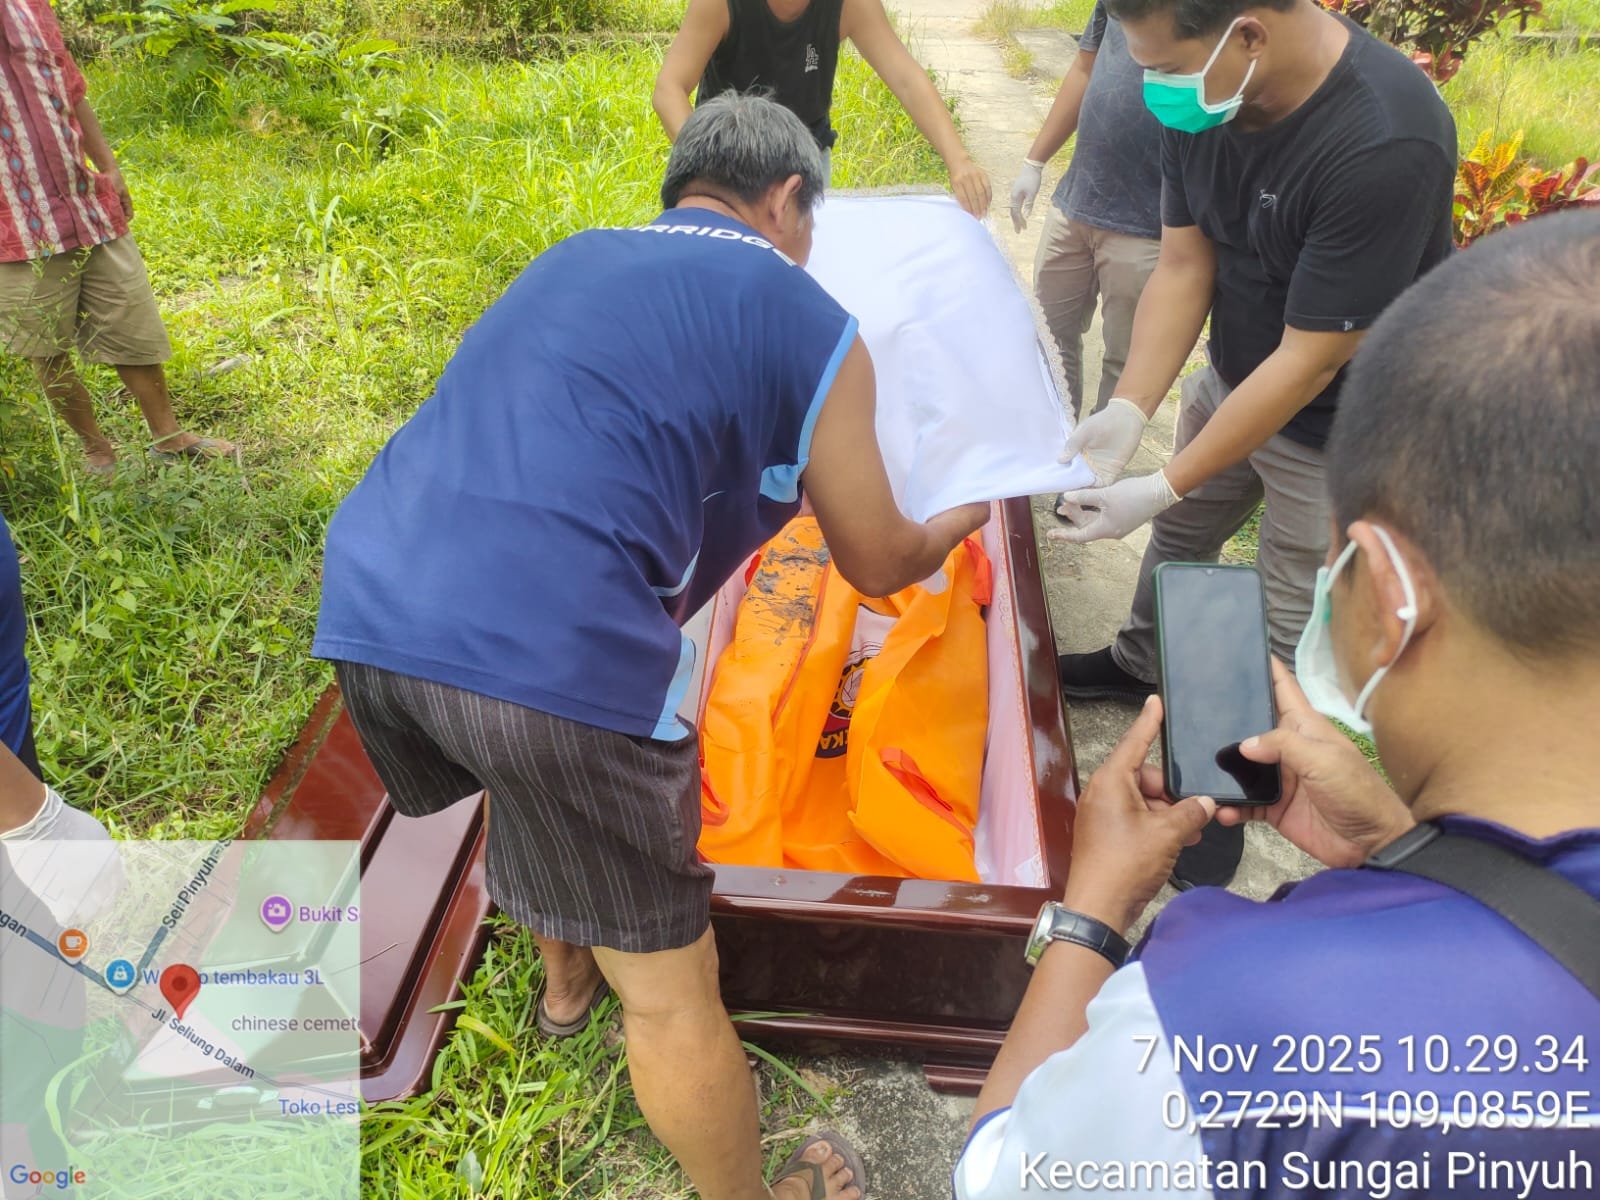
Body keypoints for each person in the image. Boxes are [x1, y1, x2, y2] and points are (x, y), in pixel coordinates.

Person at [314, 93, 987, 1200]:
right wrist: (964, 510)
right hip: (552, 652)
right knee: (672, 991)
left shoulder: (571, 255)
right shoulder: (814, 322)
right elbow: (874, 562)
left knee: (515, 766)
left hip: (373, 604)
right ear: (785, 200)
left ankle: (563, 989)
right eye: (808, 222)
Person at [954, 210, 1600, 1200]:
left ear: (1384, 594)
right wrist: (1411, 850)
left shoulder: (1228, 1022)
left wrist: (1093, 912)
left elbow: (1003, 1176)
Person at [1050, 0, 1456, 886]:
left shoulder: (1386, 140)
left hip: (1344, 422)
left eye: (1164, 66)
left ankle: (1233, 783)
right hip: (1237, 376)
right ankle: (1137, 662)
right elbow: (1185, 262)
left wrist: (1165, 479)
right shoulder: (1208, 102)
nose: (1154, 87)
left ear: (1248, 35)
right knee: (1181, 538)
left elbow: (1311, 361)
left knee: (1279, 606)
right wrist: (1131, 406)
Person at [0, 0, 232, 478]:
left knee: (132, 320)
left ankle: (169, 436)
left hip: (85, 205)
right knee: (46, 348)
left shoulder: (32, 6)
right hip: (14, 228)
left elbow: (72, 88)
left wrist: (109, 167)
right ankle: (97, 452)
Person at [652, 0, 992, 217]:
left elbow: (906, 78)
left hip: (804, 166)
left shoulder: (849, 5)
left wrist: (959, 161)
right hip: (723, 167)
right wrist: (712, 169)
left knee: (801, 277)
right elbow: (669, 89)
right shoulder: (720, 4)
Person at [1007, 0, 1163, 418]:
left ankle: (1098, 458)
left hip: (1150, 222)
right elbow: (1083, 69)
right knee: (1048, 338)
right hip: (1077, 200)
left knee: (1126, 359)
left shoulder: (1207, 12)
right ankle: (1058, 442)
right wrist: (1035, 161)